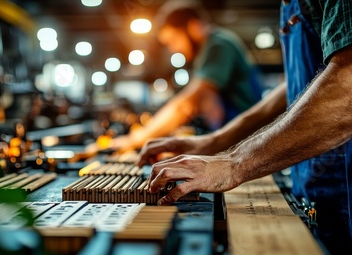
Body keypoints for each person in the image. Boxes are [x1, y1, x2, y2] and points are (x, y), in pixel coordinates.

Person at [139, 1, 352, 255]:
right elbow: (303, 85)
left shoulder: (218, 44)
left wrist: (234, 163)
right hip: (320, 188)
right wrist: (216, 143)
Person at [89, 1, 261, 152]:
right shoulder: (208, 51)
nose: (174, 49)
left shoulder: (218, 45)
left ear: (193, 27)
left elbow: (186, 103)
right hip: (239, 138)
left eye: (173, 40)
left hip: (250, 139)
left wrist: (136, 139)